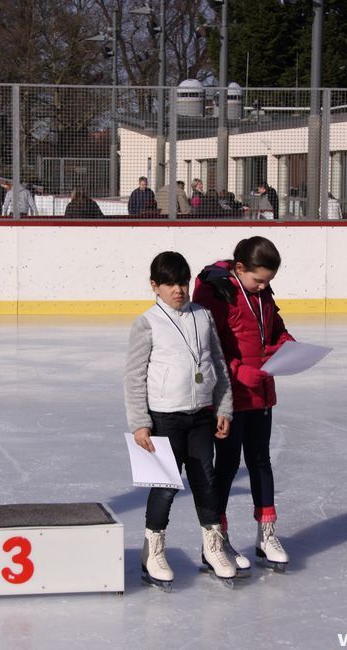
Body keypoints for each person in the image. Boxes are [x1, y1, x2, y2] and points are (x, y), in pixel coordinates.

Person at [124, 251, 237, 588]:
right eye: (170, 284)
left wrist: (224, 408)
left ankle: (213, 546)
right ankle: (153, 549)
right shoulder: (148, 322)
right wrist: (140, 422)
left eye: (183, 282)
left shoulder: (203, 316)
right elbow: (134, 376)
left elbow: (218, 364)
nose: (178, 290)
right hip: (165, 417)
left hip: (201, 415)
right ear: (154, 286)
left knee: (206, 481)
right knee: (166, 487)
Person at [192, 236, 295, 571]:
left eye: (268, 281)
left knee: (260, 461)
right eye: (259, 280)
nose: (263, 286)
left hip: (261, 392)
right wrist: (238, 371)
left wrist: (286, 345)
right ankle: (216, 539)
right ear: (239, 268)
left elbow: (276, 328)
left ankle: (266, 535)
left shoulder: (262, 294)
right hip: (228, 397)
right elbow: (208, 347)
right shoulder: (216, 293)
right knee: (226, 465)